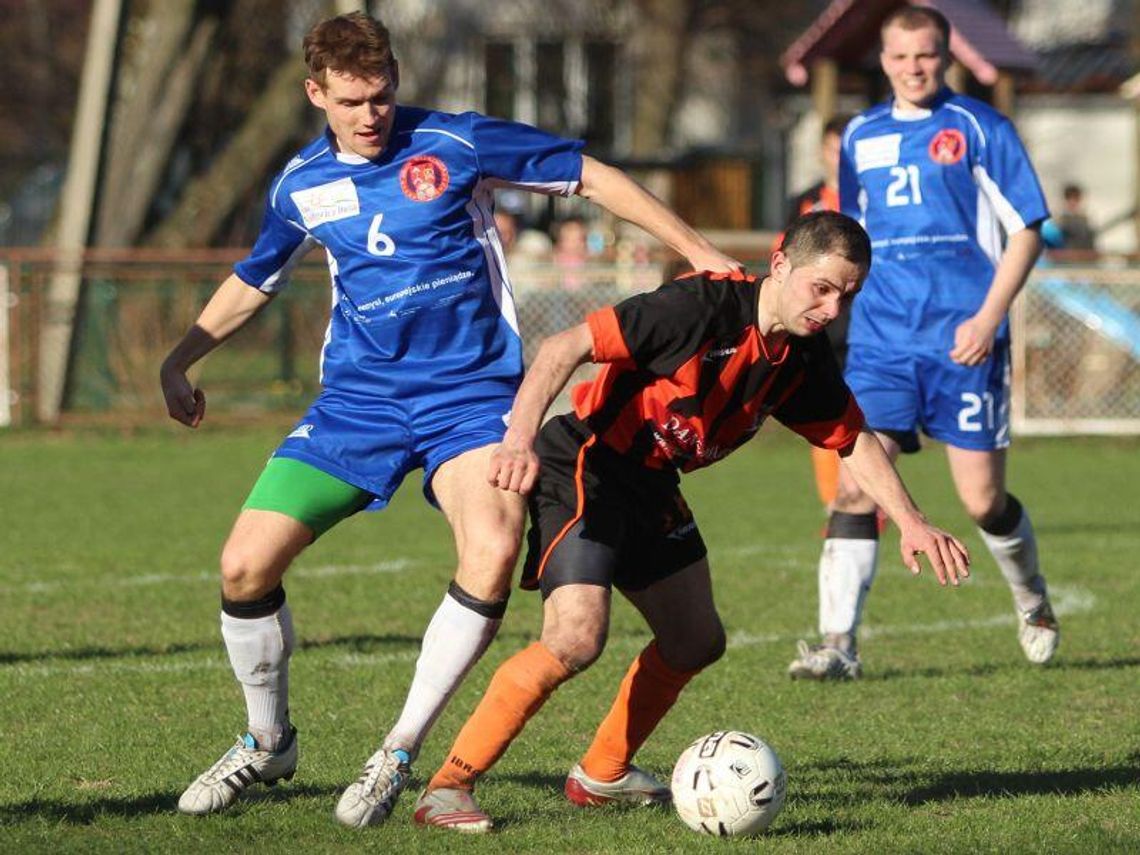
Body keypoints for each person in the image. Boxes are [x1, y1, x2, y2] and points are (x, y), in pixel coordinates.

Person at [159, 10, 739, 825]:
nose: (372, 114)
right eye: (353, 101)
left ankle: (395, 753)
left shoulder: (457, 142)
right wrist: (180, 357)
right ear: (315, 93)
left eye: (383, 95)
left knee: (495, 548)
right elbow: (255, 278)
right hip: (358, 406)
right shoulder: (299, 185)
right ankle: (266, 741)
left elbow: (590, 174)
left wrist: (698, 249)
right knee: (243, 568)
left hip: (472, 400)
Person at [407, 211, 971, 832]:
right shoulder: (699, 308)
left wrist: (914, 521)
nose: (833, 308)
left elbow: (851, 438)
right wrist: (519, 439)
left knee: (695, 640)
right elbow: (561, 347)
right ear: (780, 264)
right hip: (586, 464)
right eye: (822, 287)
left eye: (848, 295)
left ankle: (602, 772)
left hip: (650, 484)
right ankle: (448, 787)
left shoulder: (801, 357)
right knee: (574, 638)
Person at [787, 6, 1058, 682]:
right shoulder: (859, 135)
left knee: (980, 501)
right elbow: (849, 238)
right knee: (855, 488)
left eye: (927, 55)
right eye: (902, 56)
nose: (914, 67)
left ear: (946, 57)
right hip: (883, 340)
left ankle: (1033, 600)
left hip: (964, 340)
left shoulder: (979, 128)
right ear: (883, 61)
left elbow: (1026, 230)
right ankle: (838, 643)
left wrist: (988, 317)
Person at [779, 114, 854, 511]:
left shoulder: (873, 196)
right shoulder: (806, 201)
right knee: (825, 407)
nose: (840, 157)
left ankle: (867, 499)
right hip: (823, 322)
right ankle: (834, 502)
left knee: (869, 411)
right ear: (822, 152)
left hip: (869, 320)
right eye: (833, 149)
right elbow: (787, 253)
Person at [1056, 183, 1096, 251]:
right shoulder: (1059, 221)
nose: (1072, 202)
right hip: (1063, 258)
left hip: (1083, 258)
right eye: (1069, 198)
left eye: (1075, 198)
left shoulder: (1085, 220)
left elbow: (1091, 244)